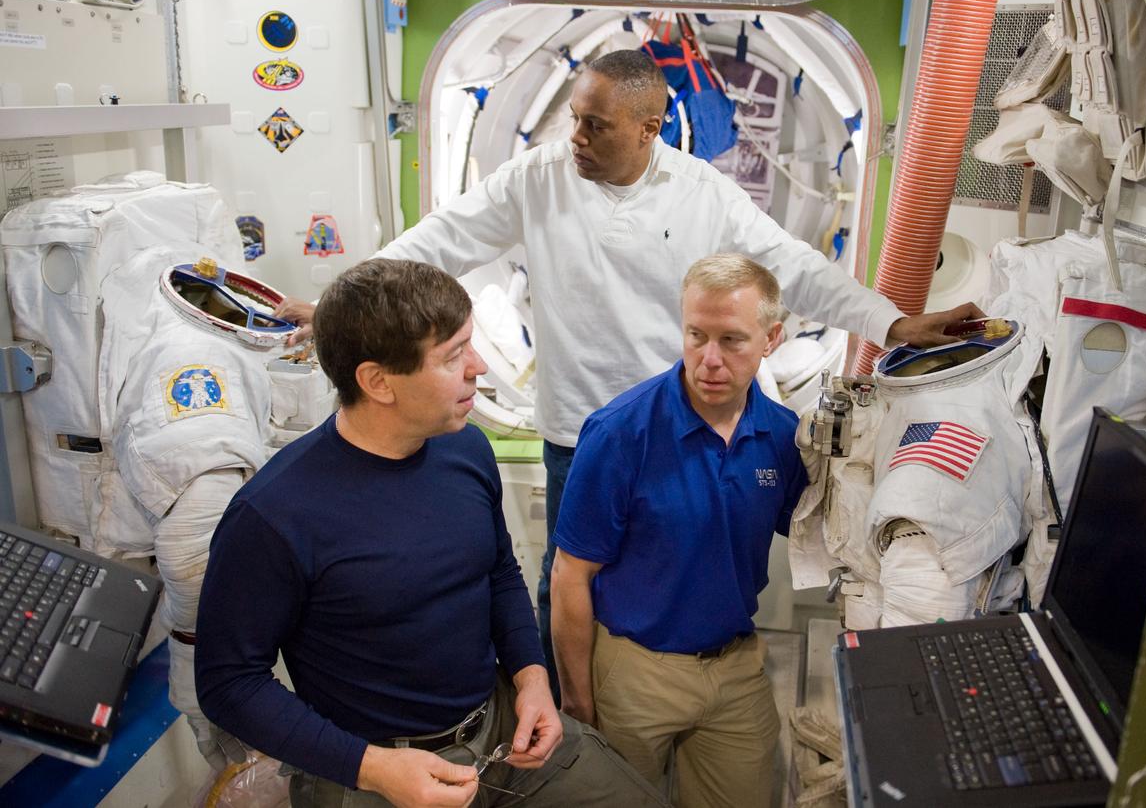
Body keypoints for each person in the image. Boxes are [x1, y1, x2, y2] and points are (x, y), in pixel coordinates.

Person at [276, 49, 982, 696]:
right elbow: (435, 242)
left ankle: (675, 693)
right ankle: (561, 710)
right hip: (574, 433)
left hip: (669, 433)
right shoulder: (537, 178)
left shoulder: (702, 193)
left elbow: (794, 269)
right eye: (574, 119)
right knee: (567, 581)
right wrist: (344, 304)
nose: (576, 137)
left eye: (595, 125)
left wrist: (890, 324)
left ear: (649, 129)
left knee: (674, 580)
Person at [196, 258, 668, 808]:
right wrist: (372, 768)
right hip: (373, 769)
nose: (480, 366)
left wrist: (532, 679)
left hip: (502, 730)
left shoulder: (465, 448)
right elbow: (229, 683)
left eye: (470, 344)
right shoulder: (273, 515)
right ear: (377, 381)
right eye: (453, 356)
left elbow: (497, 572)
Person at [550, 254, 807, 808]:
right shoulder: (620, 435)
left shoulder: (784, 439)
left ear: (772, 338)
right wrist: (577, 702)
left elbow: (820, 537)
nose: (708, 361)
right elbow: (569, 575)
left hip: (735, 666)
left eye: (732, 340)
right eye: (696, 336)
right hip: (636, 669)